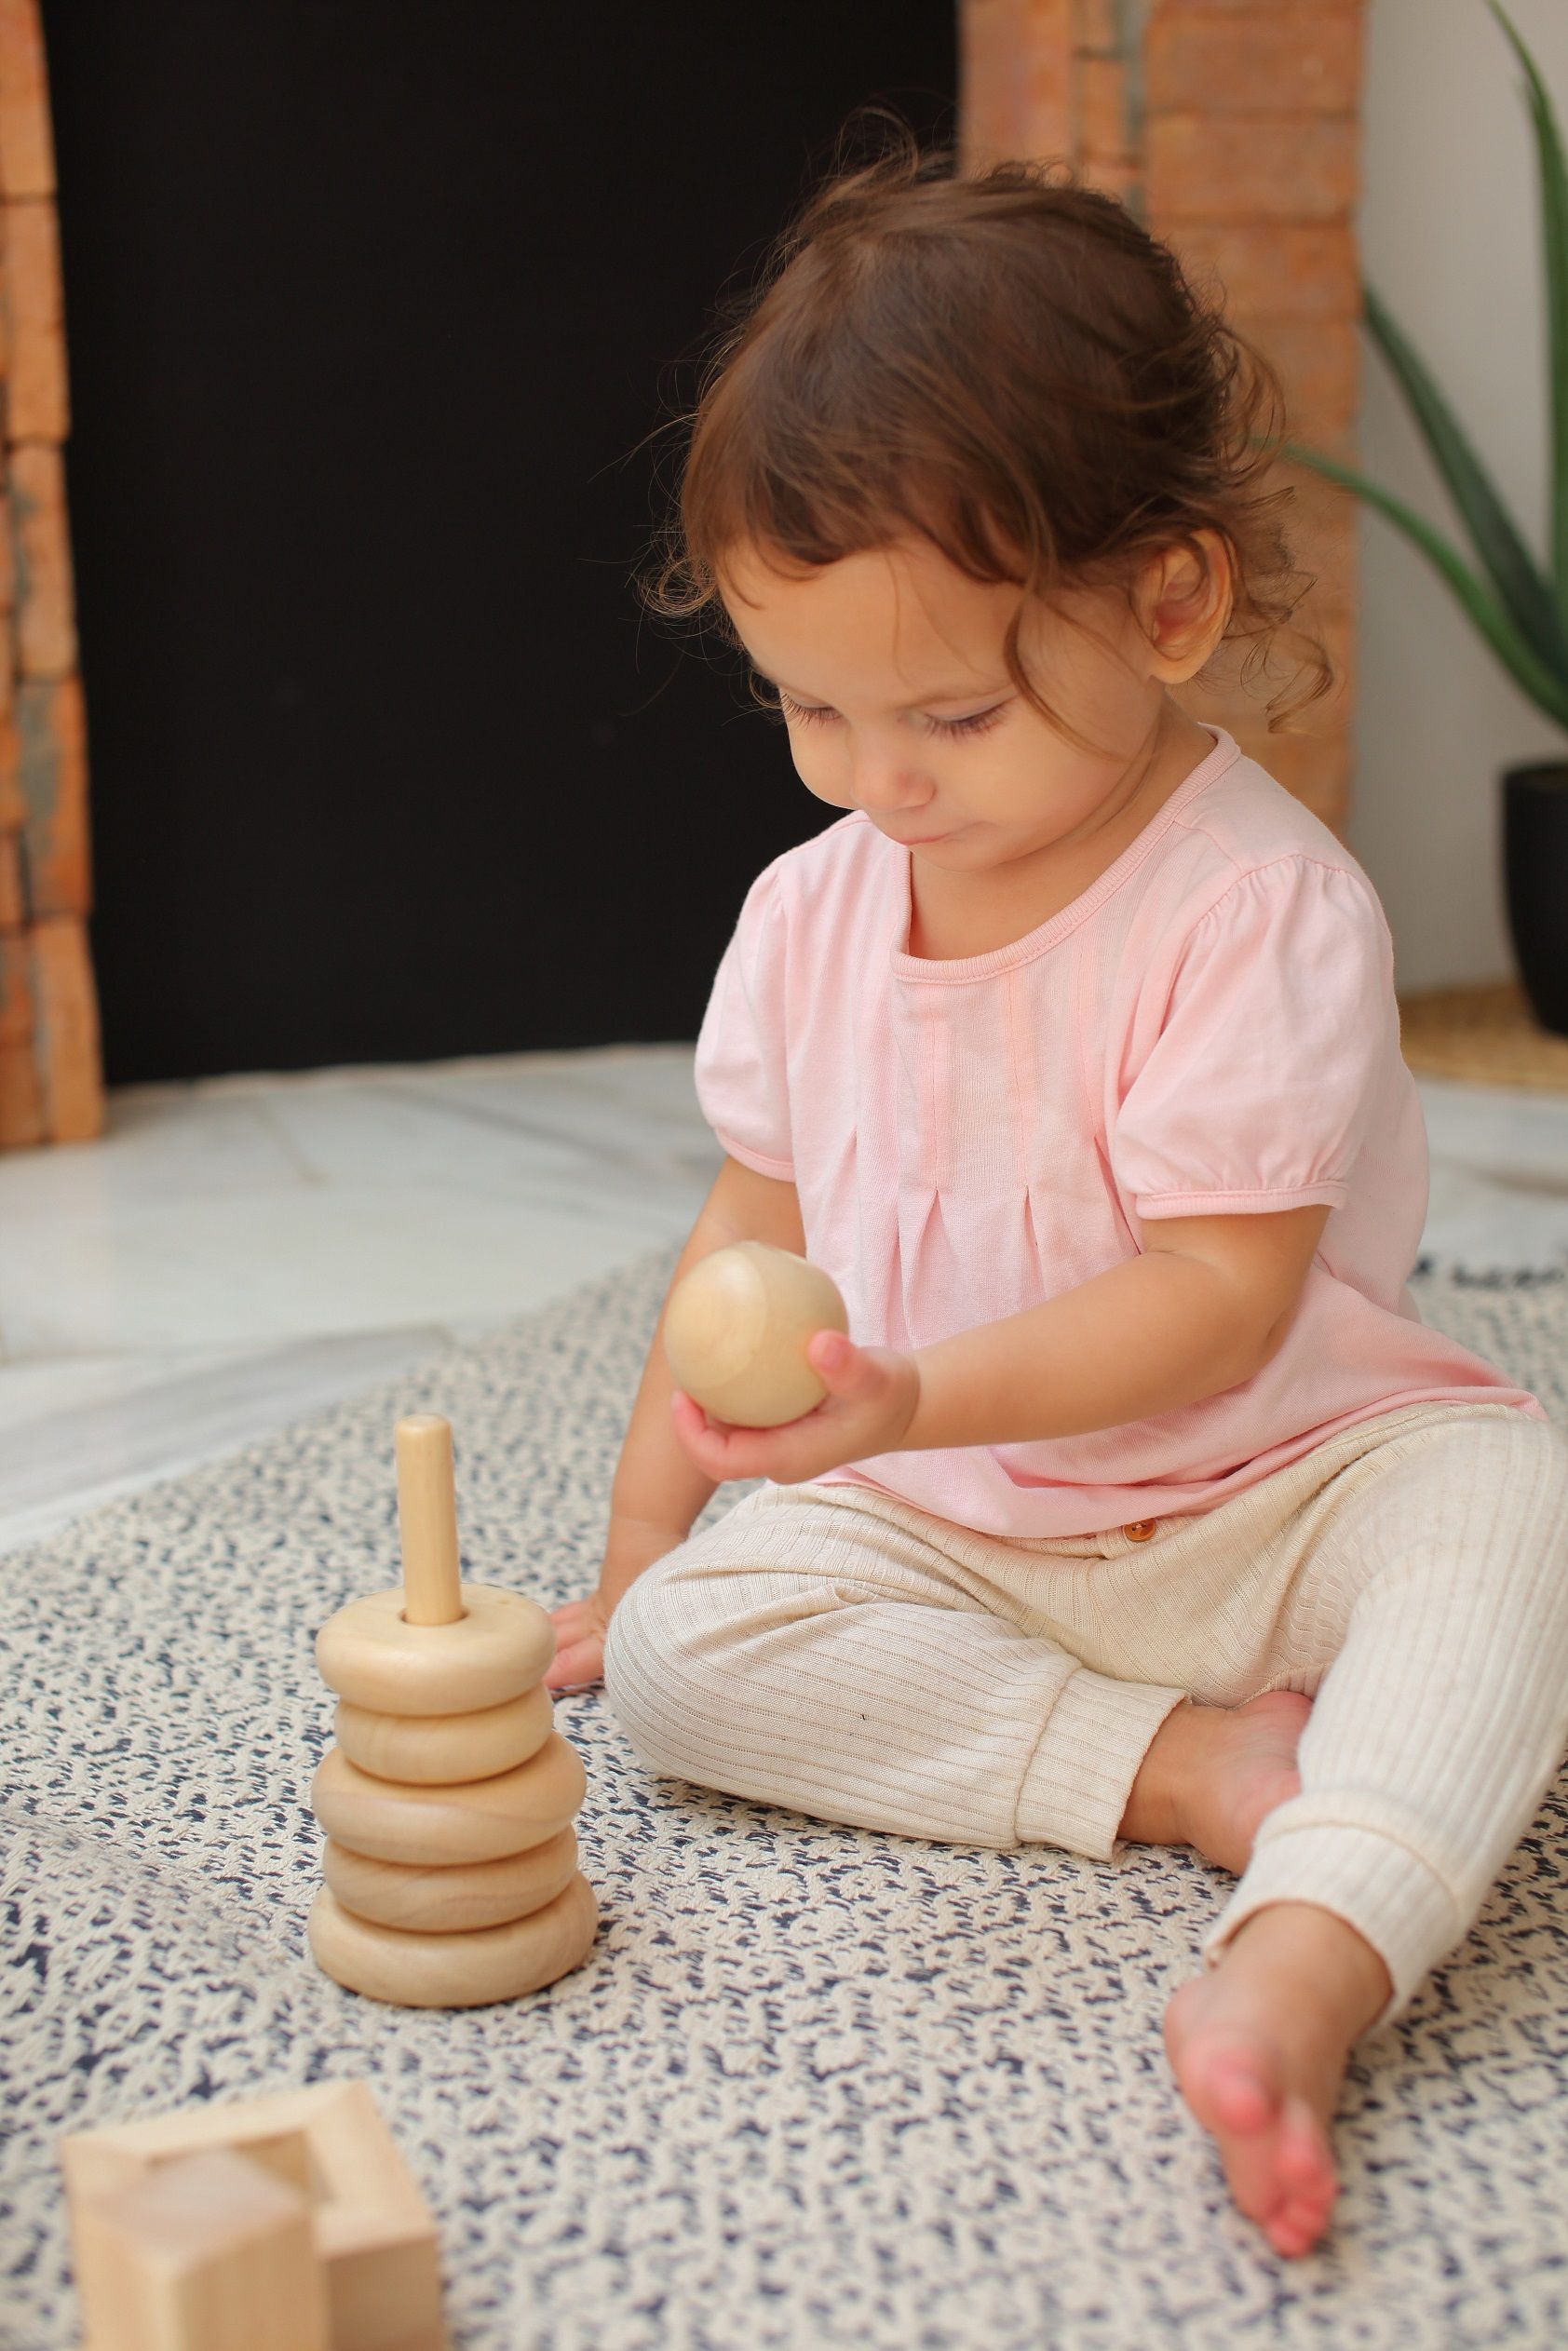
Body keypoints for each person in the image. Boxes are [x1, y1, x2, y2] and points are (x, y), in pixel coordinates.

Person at [547, 131, 1568, 2260]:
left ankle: (1306, 1956)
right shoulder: (810, 915)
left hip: (1273, 1490)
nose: (879, 779)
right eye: (808, 707)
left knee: (1512, 1514)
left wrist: (911, 1394)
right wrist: (637, 1569)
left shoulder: (1253, 910)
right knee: (688, 1666)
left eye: (948, 709)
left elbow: (1212, 1302)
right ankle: (1180, 1765)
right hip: (961, 1530)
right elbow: (742, 1238)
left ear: (1166, 602)